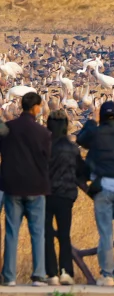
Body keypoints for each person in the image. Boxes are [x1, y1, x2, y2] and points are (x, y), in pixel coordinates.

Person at [79, 99, 114, 289]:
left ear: (101, 116)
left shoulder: (95, 133)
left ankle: (107, 275)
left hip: (103, 184)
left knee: (105, 232)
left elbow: (81, 140)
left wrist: (90, 123)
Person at [0, 90, 51, 287]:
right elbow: (47, 158)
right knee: (37, 232)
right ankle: (38, 275)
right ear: (36, 108)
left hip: (12, 187)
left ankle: (9, 276)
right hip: (36, 187)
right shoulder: (43, 133)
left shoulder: (8, 129)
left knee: (12, 233)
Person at [44, 111, 79, 287]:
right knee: (65, 235)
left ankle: (51, 273)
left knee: (47, 235)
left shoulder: (44, 146)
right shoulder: (73, 148)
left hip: (47, 194)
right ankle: (66, 272)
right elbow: (81, 171)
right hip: (66, 195)